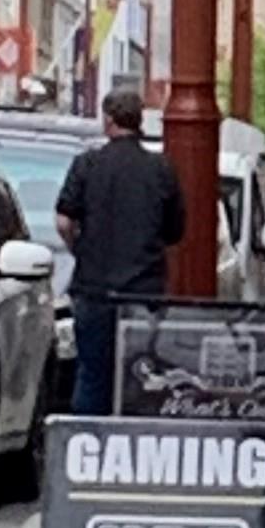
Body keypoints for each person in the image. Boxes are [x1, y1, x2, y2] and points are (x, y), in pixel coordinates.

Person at [52, 83, 185, 416]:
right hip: (143, 292)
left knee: (92, 375)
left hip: (94, 289)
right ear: (138, 121)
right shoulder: (160, 169)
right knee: (140, 376)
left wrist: (79, 250)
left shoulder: (87, 165)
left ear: (107, 120)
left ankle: (86, 448)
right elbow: (175, 231)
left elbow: (64, 222)